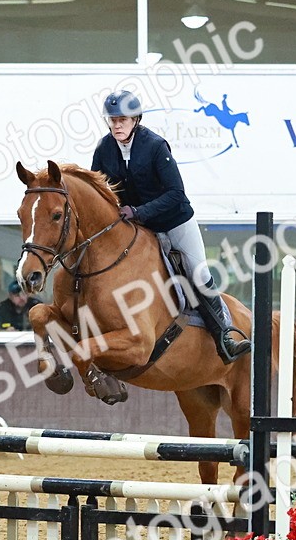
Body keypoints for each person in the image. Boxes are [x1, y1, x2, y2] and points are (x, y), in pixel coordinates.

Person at [90, 90, 250, 363]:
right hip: (137, 228)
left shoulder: (154, 146)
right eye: (113, 120)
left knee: (198, 273)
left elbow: (176, 193)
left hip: (174, 221)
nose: (117, 125)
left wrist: (138, 211)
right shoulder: (104, 149)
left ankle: (225, 335)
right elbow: (98, 191)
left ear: (136, 119)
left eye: (123, 120)